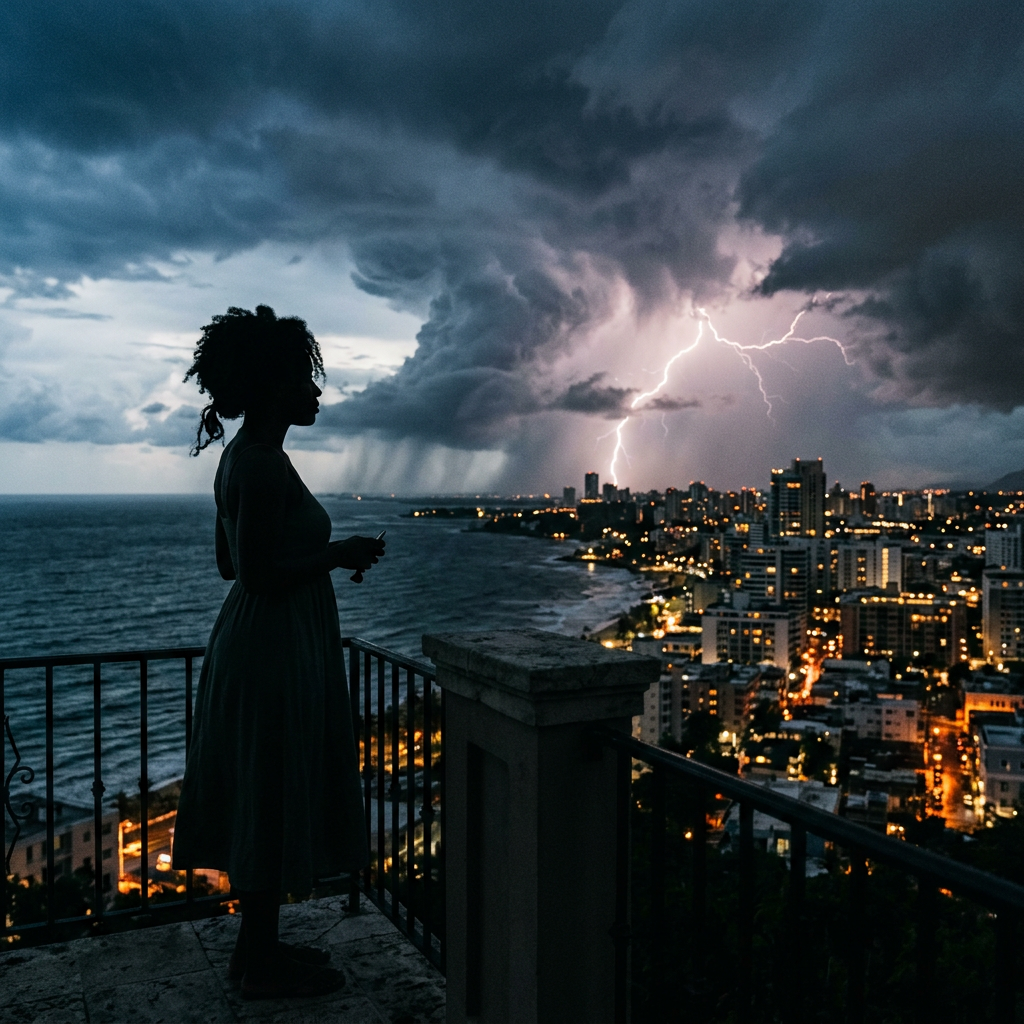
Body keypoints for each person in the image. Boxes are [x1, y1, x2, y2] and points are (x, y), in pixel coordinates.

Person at [172, 305, 382, 999]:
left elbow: (229, 565)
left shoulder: (243, 459)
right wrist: (337, 553)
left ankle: (255, 949)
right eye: (304, 381)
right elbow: (256, 572)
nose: (317, 394)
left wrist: (313, 555)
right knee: (270, 787)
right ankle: (259, 962)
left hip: (257, 639)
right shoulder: (260, 464)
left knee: (265, 787)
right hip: (273, 647)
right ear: (273, 388)